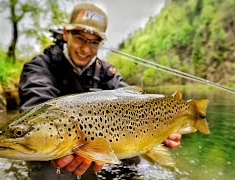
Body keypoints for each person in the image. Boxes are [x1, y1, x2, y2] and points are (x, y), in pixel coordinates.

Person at [18, 3, 181, 179]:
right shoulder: (39, 67)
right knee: (51, 170)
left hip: (91, 143)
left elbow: (132, 101)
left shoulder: (105, 72)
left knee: (133, 160)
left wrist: (158, 130)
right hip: (53, 147)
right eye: (80, 38)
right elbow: (35, 110)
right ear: (66, 33)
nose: (86, 49)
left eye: (94, 42)